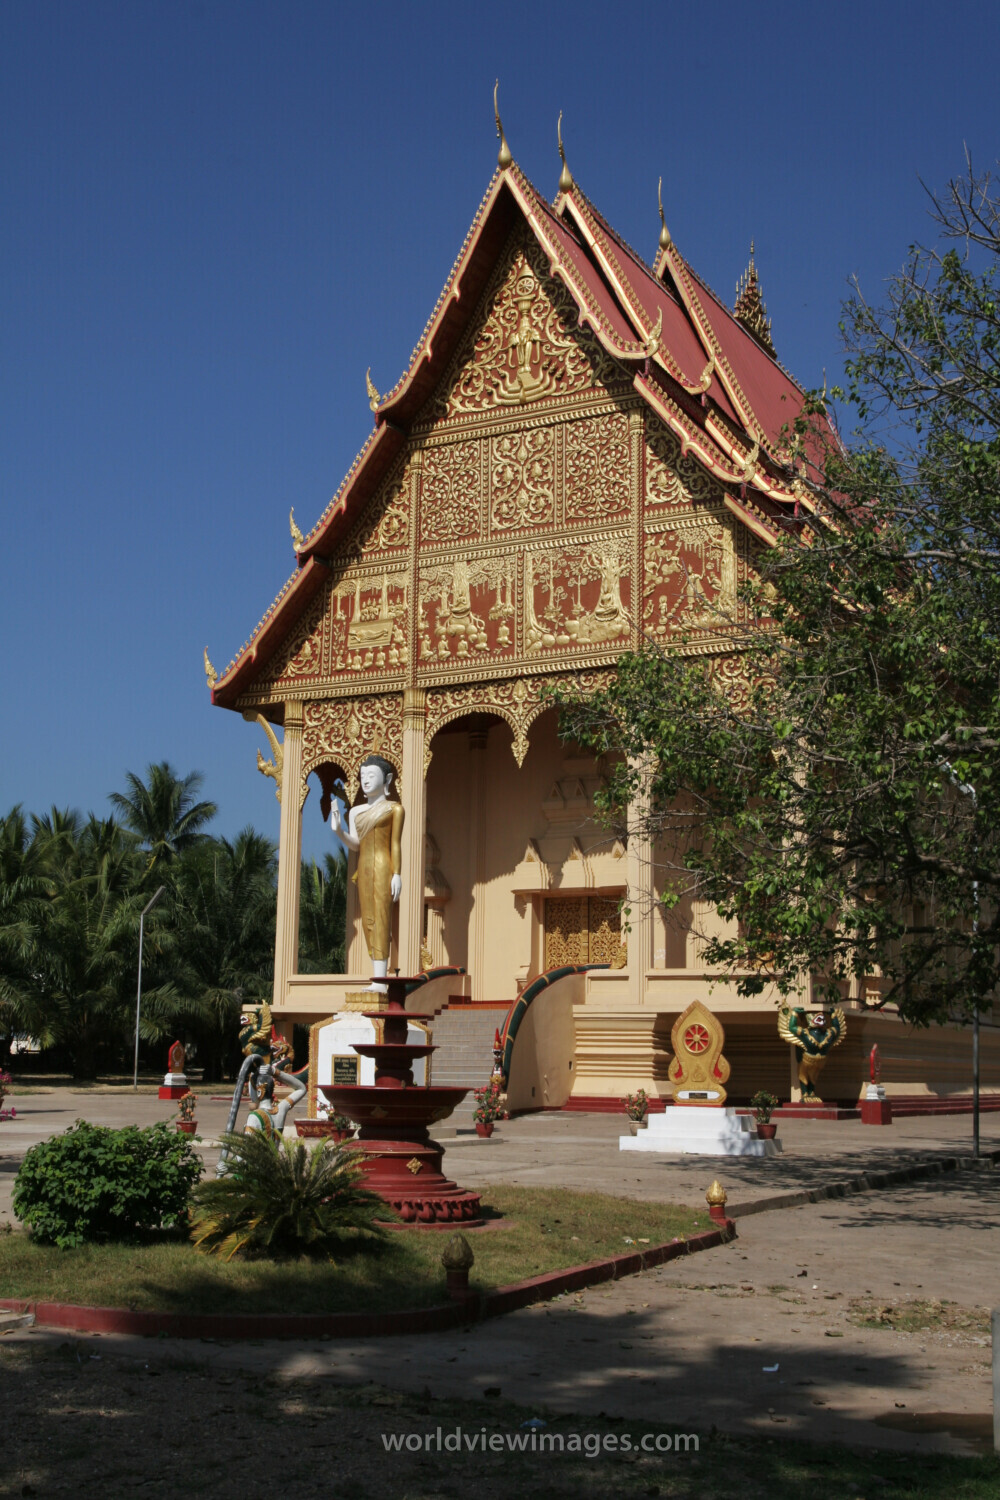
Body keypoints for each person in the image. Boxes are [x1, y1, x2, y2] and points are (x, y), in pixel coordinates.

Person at [330, 753, 404, 991]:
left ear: (387, 779)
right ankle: (376, 976)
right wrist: (339, 830)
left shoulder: (394, 809)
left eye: (372, 775)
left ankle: (381, 981)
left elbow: (395, 844)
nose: (366, 781)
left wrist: (397, 874)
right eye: (363, 776)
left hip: (383, 866)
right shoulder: (355, 812)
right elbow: (356, 844)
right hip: (363, 868)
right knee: (367, 920)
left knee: (382, 918)